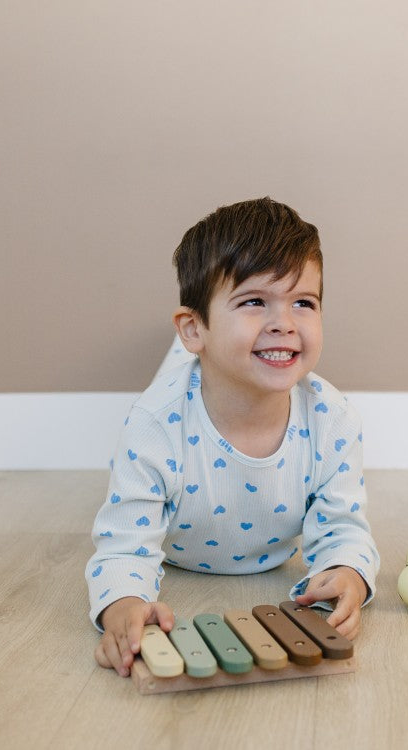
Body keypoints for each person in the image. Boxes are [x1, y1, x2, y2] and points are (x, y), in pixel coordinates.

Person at [86, 197, 379, 677]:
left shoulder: (333, 419)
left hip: (272, 550)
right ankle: (188, 357)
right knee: (180, 390)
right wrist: (122, 604)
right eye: (254, 301)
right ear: (193, 327)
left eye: (303, 303)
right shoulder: (155, 425)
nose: (284, 322)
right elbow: (123, 544)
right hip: (183, 479)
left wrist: (348, 572)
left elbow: (344, 526)